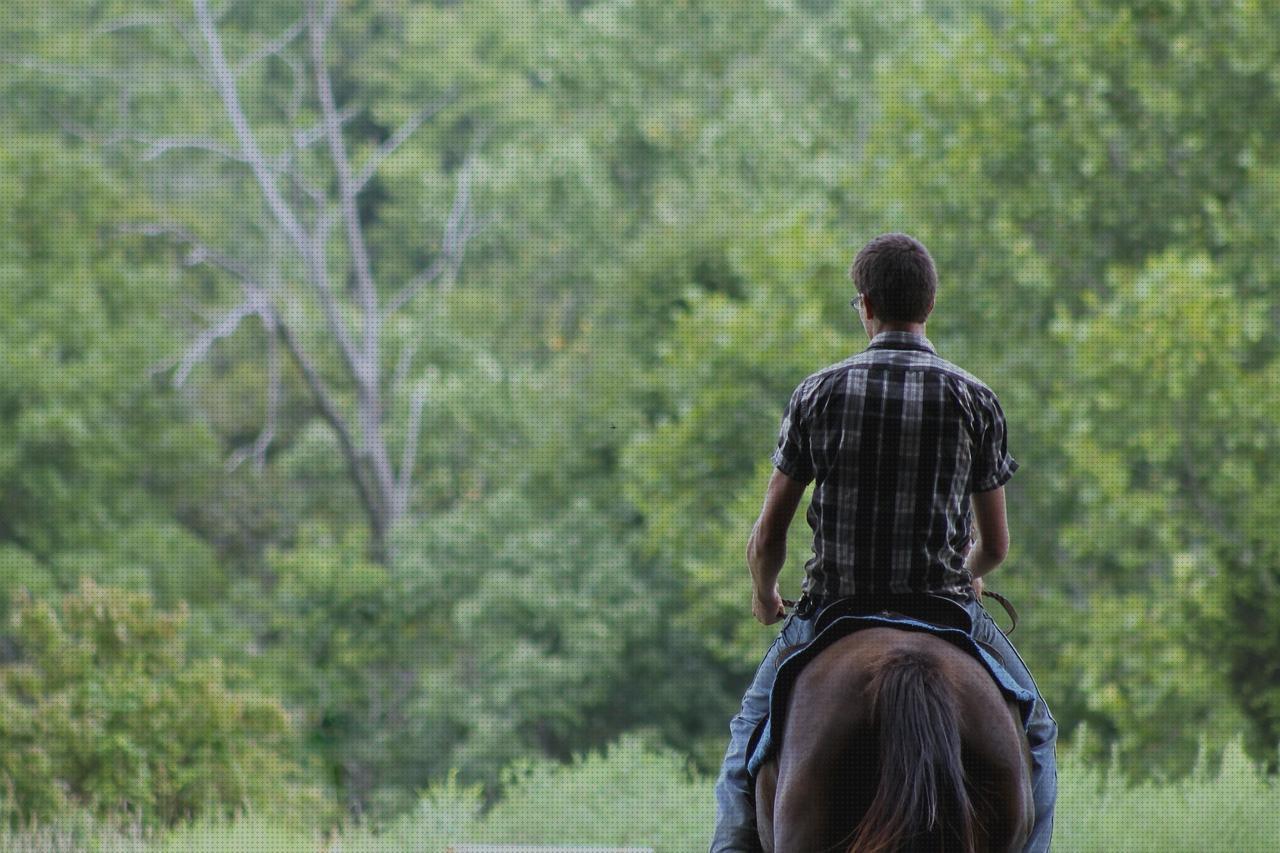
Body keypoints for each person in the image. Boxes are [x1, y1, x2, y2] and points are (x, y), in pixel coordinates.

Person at [708, 232, 1058, 852]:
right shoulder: (974, 399)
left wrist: (765, 595)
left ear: (865, 304)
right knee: (1036, 736)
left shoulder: (818, 394)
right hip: (946, 610)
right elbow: (997, 544)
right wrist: (971, 574)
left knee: (745, 747)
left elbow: (769, 535)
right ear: (929, 305)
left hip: (834, 613)